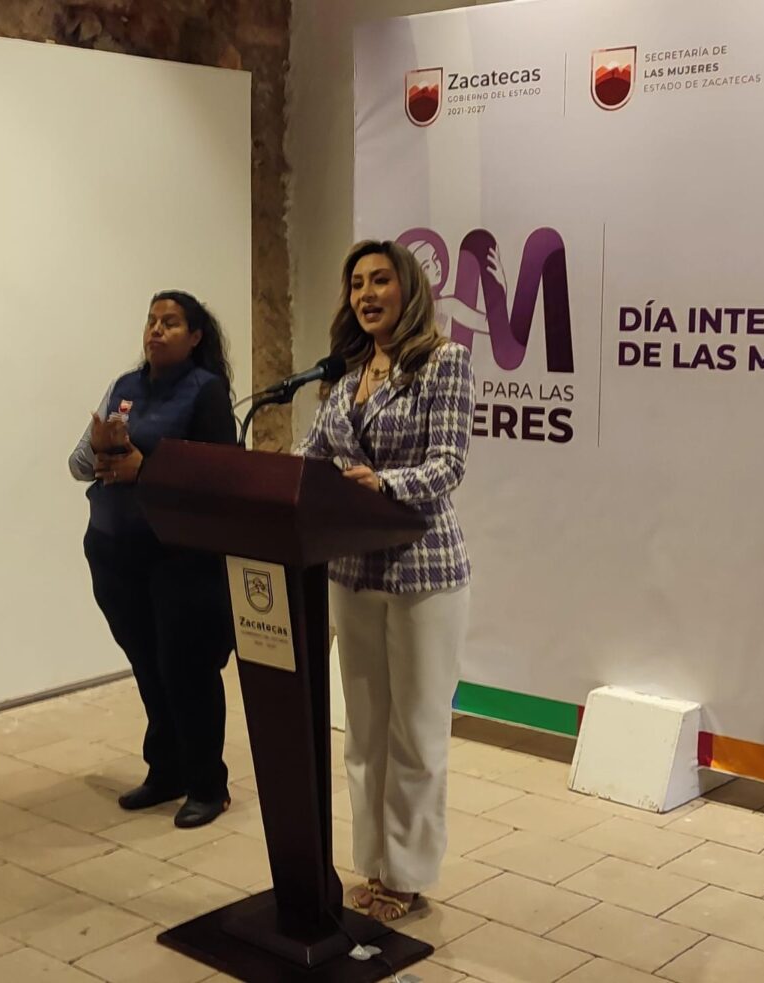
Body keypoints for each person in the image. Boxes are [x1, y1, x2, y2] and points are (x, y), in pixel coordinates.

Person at [298, 240, 475, 922]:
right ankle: (372, 863)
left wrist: (383, 483)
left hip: (423, 568)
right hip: (352, 569)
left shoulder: (443, 361)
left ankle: (407, 872)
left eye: (379, 280)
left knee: (416, 732)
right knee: (364, 732)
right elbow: (314, 454)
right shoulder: (345, 374)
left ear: (408, 289)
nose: (366, 294)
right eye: (356, 284)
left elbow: (448, 463)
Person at [69, 291, 236, 828]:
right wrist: (99, 451)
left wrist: (148, 469)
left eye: (171, 322)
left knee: (186, 669)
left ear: (195, 337)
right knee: (148, 666)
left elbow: (219, 476)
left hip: (178, 558)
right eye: (151, 320)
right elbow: (78, 463)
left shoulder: (206, 392)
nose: (156, 330)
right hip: (115, 552)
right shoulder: (125, 386)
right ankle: (167, 771)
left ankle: (208, 785)